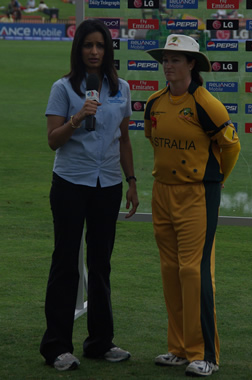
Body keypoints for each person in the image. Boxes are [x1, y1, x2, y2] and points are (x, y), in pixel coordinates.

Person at [40, 18, 139, 372]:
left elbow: (124, 139)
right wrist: (78, 116)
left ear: (107, 49)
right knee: (66, 262)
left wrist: (131, 180)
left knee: (100, 264)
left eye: (100, 45)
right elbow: (53, 139)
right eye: (87, 46)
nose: (94, 52)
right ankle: (57, 347)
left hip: (108, 184)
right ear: (78, 49)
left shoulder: (121, 88)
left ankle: (100, 341)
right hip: (70, 183)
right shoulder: (63, 88)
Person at [144, 34, 240, 377]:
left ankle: (205, 355)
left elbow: (231, 148)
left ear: (191, 65)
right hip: (162, 192)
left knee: (194, 271)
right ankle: (179, 349)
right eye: (166, 59)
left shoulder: (207, 104)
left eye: (176, 59)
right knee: (170, 271)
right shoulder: (155, 101)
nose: (169, 65)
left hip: (197, 194)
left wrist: (216, 182)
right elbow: (154, 140)